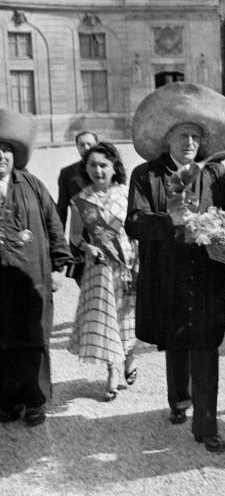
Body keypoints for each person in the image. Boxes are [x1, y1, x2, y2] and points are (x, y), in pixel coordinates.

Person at [126, 82, 225, 453]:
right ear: (167, 138)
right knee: (175, 340)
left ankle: (207, 426)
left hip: (207, 275)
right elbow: (135, 222)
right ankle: (179, 399)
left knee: (206, 345)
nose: (189, 142)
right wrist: (170, 221)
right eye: (182, 135)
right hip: (167, 274)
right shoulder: (146, 175)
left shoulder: (216, 175)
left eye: (195, 136)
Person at [0, 109, 72, 426]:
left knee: (32, 341)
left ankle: (34, 401)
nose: (0, 156)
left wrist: (60, 266)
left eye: (5, 150)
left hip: (32, 280)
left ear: (14, 155)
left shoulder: (32, 185)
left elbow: (54, 226)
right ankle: (7, 402)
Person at [68, 142, 138, 401]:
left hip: (128, 262)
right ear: (86, 168)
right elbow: (75, 236)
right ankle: (112, 373)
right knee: (106, 318)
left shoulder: (127, 193)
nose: (98, 170)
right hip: (100, 266)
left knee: (129, 314)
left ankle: (129, 357)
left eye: (103, 165)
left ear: (113, 167)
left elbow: (136, 230)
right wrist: (87, 247)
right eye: (93, 165)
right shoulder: (82, 200)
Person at [57, 130, 98, 285]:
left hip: (107, 235)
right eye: (82, 144)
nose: (86, 147)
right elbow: (61, 209)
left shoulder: (106, 169)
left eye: (90, 144)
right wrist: (58, 244)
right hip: (80, 238)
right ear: (77, 147)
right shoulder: (67, 173)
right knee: (85, 286)